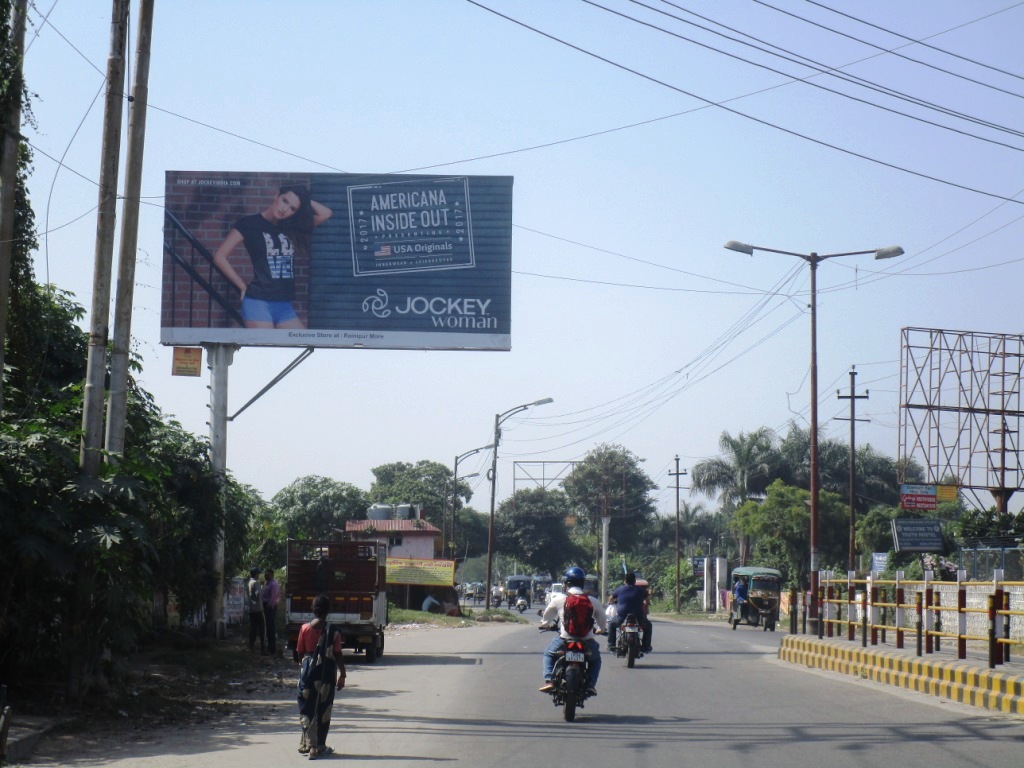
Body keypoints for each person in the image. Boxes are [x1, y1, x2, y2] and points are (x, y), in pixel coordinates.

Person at [213, 184, 333, 329]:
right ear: (276, 196)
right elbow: (220, 256)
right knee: (264, 349)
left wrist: (305, 199)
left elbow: (326, 213)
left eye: (293, 208)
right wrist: (242, 286)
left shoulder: (292, 227)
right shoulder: (249, 224)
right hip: (258, 302)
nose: (285, 209)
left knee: (301, 344)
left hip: (284, 306)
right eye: (285, 201)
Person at [539, 566, 606, 696]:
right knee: (595, 660)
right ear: (582, 582)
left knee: (548, 654)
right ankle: (590, 685)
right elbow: (602, 620)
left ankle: (549, 681)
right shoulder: (592, 601)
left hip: (564, 639)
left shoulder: (559, 599)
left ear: (566, 583)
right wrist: (600, 630)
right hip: (586, 641)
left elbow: (546, 618)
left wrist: (545, 625)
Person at [296, 594, 346, 759]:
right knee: (323, 709)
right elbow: (338, 654)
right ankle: (318, 745)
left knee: (307, 708)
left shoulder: (304, 629)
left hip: (308, 673)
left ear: (313, 609)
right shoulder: (333, 631)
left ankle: (308, 744)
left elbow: (300, 653)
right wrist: (342, 675)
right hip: (326, 674)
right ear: (328, 611)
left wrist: (303, 668)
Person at [607, 570, 653, 654]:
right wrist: (648, 596)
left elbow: (611, 598)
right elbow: (647, 597)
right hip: (638, 615)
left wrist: (612, 602)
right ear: (635, 581)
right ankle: (646, 646)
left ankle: (611, 645)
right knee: (648, 626)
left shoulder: (620, 589)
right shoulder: (640, 590)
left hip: (622, 615)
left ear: (625, 581)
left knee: (612, 625)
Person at [246, 567, 266, 655]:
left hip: (251, 609)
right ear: (256, 574)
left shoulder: (250, 582)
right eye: (258, 574)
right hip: (258, 608)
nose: (259, 575)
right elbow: (258, 594)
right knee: (262, 628)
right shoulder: (256, 582)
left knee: (253, 628)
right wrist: (262, 587)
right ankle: (263, 648)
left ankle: (251, 646)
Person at [262, 568, 281, 656]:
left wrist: (268, 606)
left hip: (270, 607)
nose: (266, 575)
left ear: (271, 575)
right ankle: (269, 647)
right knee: (268, 627)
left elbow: (273, 598)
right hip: (266, 607)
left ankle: (272, 648)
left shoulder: (274, 584)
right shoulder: (267, 583)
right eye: (265, 574)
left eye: (268, 574)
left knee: (271, 627)